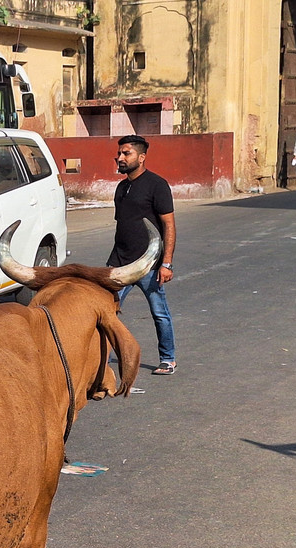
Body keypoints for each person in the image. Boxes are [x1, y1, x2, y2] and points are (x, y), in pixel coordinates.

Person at [109, 134, 178, 375]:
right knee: (107, 312)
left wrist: (166, 263)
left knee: (159, 314)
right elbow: (123, 226)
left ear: (141, 157)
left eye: (126, 153)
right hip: (120, 264)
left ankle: (168, 359)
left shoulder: (157, 185)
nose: (120, 157)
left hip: (149, 265)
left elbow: (169, 225)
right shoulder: (122, 187)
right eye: (119, 153)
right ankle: (102, 361)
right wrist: (112, 263)